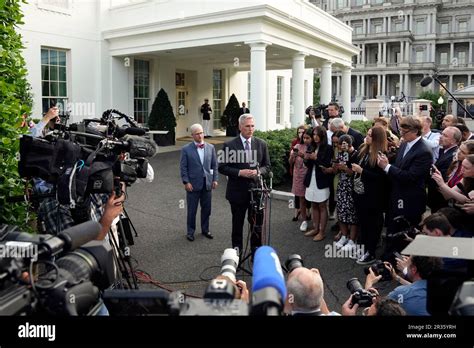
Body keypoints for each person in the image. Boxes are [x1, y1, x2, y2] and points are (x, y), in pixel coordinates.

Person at [377, 116, 432, 258]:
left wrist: (387, 167)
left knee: (404, 233)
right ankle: (389, 261)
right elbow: (399, 166)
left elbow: (410, 177)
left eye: (404, 132)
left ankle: (403, 265)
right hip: (397, 195)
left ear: (415, 131)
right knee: (393, 229)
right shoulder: (404, 144)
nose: (401, 134)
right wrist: (387, 162)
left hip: (410, 199)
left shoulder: (424, 151)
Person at [218, 114, 270, 256]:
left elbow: (267, 166)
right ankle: (237, 251)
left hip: (256, 192)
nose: (250, 129)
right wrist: (240, 172)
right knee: (237, 224)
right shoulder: (229, 145)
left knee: (256, 225)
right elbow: (222, 167)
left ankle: (256, 251)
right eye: (247, 126)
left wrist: (258, 172)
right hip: (237, 193)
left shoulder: (261, 144)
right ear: (240, 127)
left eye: (252, 126)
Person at [351, 126, 389, 264]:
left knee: (373, 225)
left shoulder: (381, 154)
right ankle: (365, 248)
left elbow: (382, 179)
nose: (366, 137)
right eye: (367, 134)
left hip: (373, 198)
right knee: (363, 223)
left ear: (377, 138)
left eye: (370, 135)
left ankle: (371, 252)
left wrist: (362, 171)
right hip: (360, 194)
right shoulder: (364, 150)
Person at [180, 124, 218, 242]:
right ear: (192, 135)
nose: (200, 135)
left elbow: (214, 165)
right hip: (192, 184)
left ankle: (205, 230)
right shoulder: (186, 149)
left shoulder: (211, 147)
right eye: (197, 133)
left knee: (207, 209)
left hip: (207, 183)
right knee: (192, 210)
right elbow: (183, 167)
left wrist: (215, 179)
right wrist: (186, 182)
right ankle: (190, 232)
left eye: (201, 133)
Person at [303, 126, 333, 241]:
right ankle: (315, 228)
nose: (314, 137)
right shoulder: (311, 146)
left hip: (322, 179)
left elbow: (325, 165)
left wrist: (315, 158)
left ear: (322, 135)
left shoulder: (328, 148)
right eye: (313, 134)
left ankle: (322, 231)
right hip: (311, 178)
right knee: (314, 204)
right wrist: (307, 159)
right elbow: (308, 165)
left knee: (322, 205)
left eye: (316, 134)